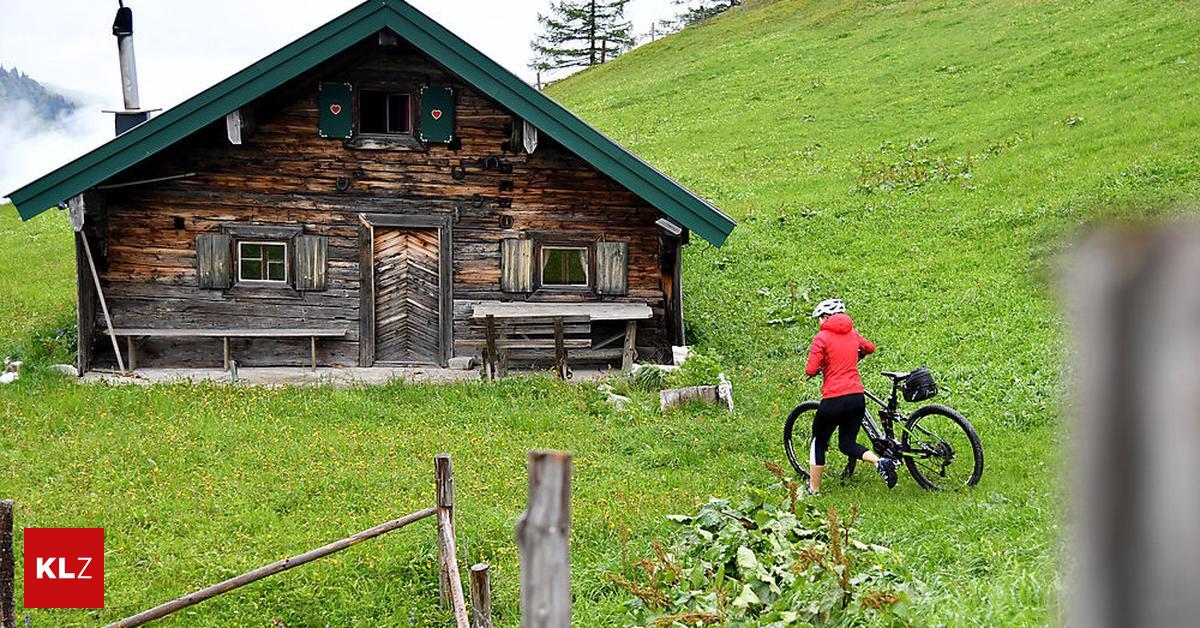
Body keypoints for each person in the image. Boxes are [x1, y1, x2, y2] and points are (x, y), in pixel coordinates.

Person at [804, 299, 898, 495]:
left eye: (821, 318)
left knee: (818, 441)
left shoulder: (821, 338)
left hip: (833, 399)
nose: (819, 321)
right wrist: (856, 355)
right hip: (856, 397)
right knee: (847, 444)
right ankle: (879, 461)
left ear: (827, 317)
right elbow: (870, 347)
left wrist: (817, 370)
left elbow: (810, 368)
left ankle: (814, 489)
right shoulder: (853, 333)